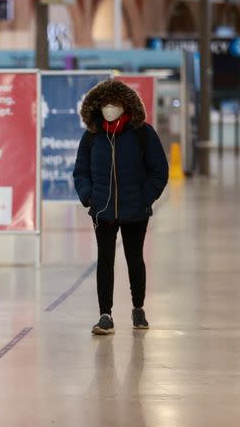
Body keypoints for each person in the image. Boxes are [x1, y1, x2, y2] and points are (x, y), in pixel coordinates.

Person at [73, 80, 169, 335]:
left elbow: (160, 170)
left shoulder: (142, 133)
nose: (109, 108)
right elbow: (80, 171)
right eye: (104, 104)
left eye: (114, 103)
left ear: (125, 105)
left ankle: (138, 308)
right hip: (102, 211)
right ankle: (105, 314)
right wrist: (89, 197)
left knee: (134, 259)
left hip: (135, 211)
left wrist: (144, 197)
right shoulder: (92, 137)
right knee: (105, 261)